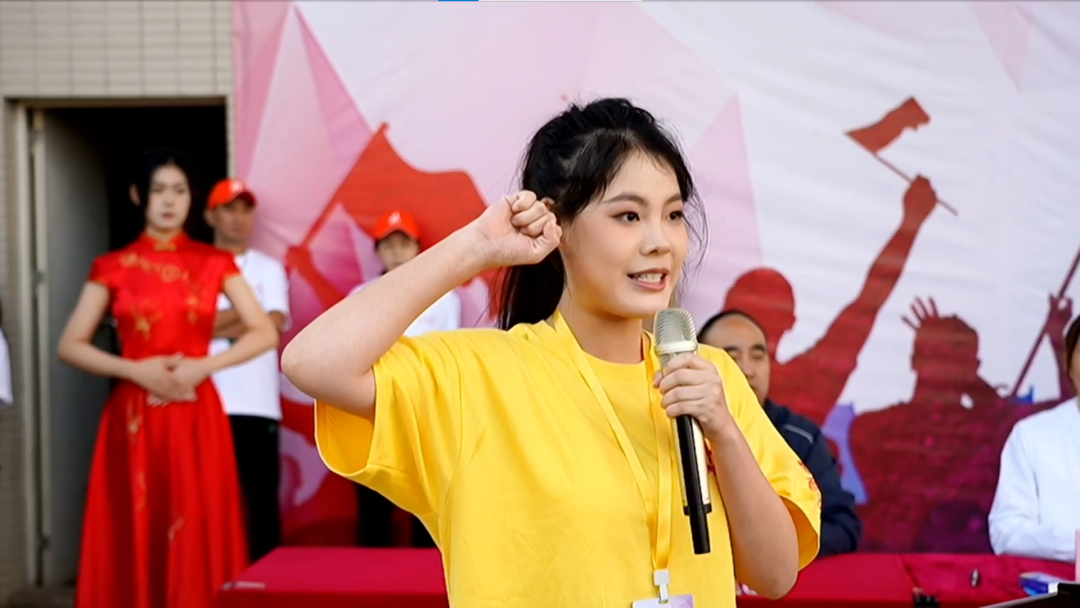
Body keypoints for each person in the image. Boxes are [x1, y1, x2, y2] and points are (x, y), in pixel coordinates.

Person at [283, 98, 820, 606]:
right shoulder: (482, 376)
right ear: (556, 225)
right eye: (629, 216)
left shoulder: (708, 376)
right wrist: (476, 247)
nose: (660, 241)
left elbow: (774, 576)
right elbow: (313, 362)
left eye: (674, 214)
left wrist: (724, 432)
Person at [58, 149, 279, 608]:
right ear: (138, 195)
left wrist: (205, 367)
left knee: (196, 520)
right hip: (135, 416)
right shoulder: (112, 266)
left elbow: (263, 331)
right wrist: (133, 370)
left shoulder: (215, 263)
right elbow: (71, 344)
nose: (169, 200)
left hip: (196, 409)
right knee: (138, 521)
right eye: (158, 190)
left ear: (191, 199)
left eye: (179, 191)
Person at [699, 309, 861, 557]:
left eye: (758, 356)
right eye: (730, 358)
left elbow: (842, 525)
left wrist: (771, 553)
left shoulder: (800, 437)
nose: (747, 369)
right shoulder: (676, 429)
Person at [349, 209, 460, 548]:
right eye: (388, 244)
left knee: (425, 496)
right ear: (377, 250)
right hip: (373, 404)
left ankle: (427, 570)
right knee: (373, 496)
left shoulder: (443, 295)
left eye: (403, 243)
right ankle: (371, 569)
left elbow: (445, 354)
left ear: (417, 247)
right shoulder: (359, 295)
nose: (396, 251)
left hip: (423, 407)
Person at [204, 178, 291, 563]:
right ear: (211, 216)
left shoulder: (269, 268)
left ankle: (265, 579)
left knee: (261, 499)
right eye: (229, 209)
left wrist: (218, 322)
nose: (238, 218)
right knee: (207, 498)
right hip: (206, 400)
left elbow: (273, 324)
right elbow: (188, 327)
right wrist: (250, 316)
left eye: (245, 209)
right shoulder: (195, 267)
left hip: (258, 404)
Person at [988, 313, 1080, 563]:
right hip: (1058, 585)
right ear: (1068, 365)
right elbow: (1007, 531)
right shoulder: (1032, 435)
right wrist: (1074, 545)